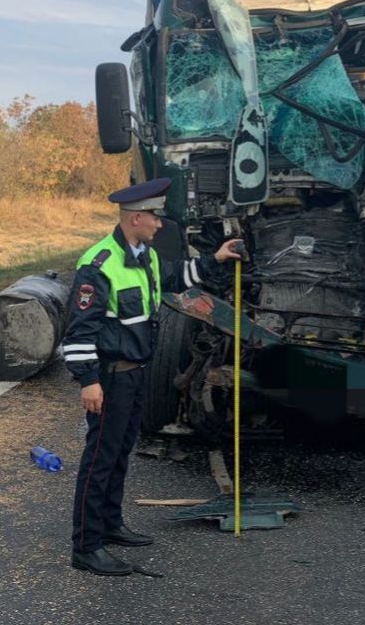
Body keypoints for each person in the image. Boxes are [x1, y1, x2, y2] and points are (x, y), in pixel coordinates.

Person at [65, 177, 241, 577]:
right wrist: (88, 380)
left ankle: (110, 524)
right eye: (155, 218)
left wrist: (216, 258)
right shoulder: (99, 264)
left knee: (120, 453)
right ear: (136, 218)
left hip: (136, 374)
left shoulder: (144, 256)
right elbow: (78, 330)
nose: (161, 224)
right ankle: (87, 545)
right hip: (111, 378)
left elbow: (177, 275)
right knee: (100, 459)